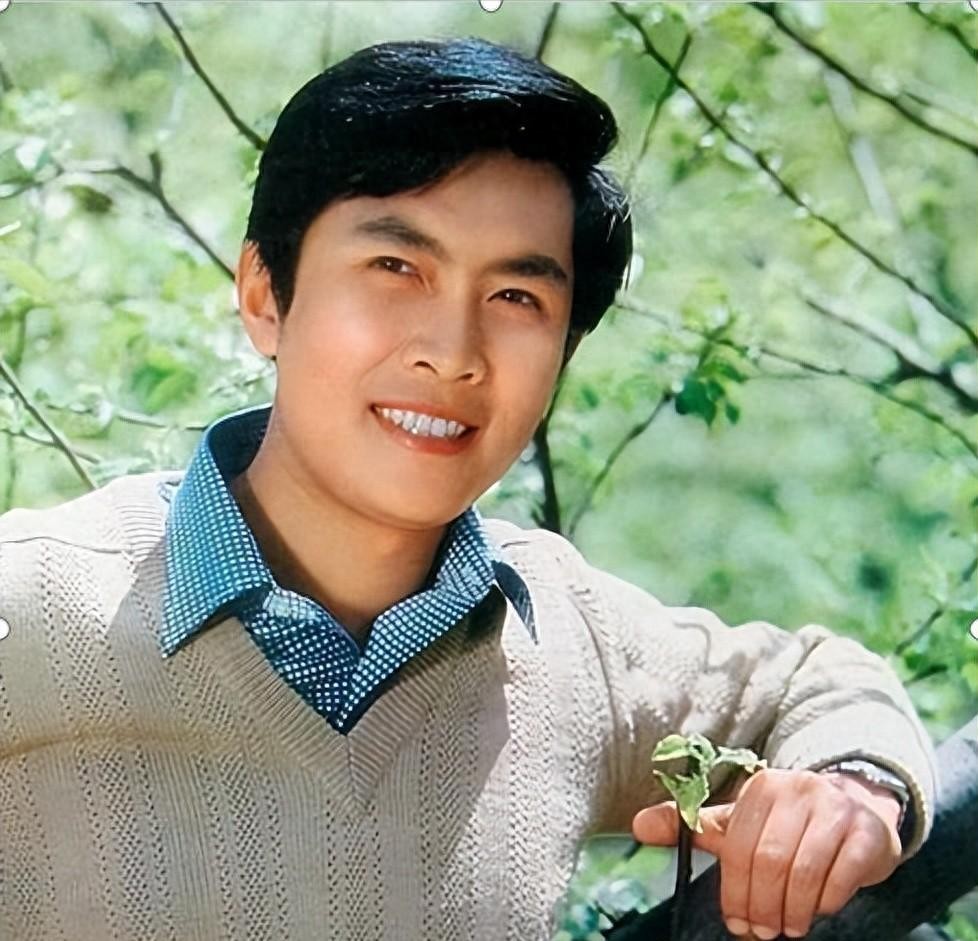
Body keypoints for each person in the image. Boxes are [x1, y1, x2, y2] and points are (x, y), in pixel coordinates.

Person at [0, 37, 936, 941]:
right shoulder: (32, 607)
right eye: (396, 267)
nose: (452, 353)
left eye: (517, 298)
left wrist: (849, 792)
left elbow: (816, 682)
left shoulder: (565, 638)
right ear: (264, 295)